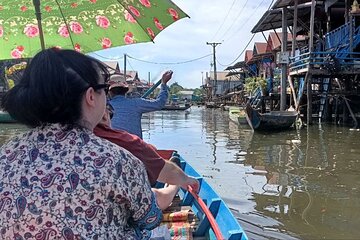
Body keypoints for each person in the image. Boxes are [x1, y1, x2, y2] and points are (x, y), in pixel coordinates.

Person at [0, 48, 162, 239]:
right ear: (91, 96)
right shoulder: (117, 160)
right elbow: (150, 219)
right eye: (104, 89)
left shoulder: (5, 154)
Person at [94, 104, 199, 210]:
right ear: (104, 115)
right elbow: (164, 170)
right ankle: (173, 187)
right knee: (156, 198)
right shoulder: (121, 139)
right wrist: (188, 180)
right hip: (115, 209)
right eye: (110, 114)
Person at [109, 70, 173, 139]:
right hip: (134, 146)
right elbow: (159, 103)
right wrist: (163, 83)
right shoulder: (136, 103)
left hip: (112, 144)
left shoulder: (104, 106)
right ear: (126, 91)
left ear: (109, 92)